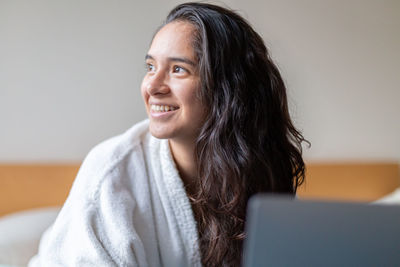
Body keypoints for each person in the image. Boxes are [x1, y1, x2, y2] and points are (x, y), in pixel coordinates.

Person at [29, 2, 307, 267]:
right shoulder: (111, 175)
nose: (152, 86)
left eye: (178, 69)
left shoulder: (260, 169)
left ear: (227, 89)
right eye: (150, 67)